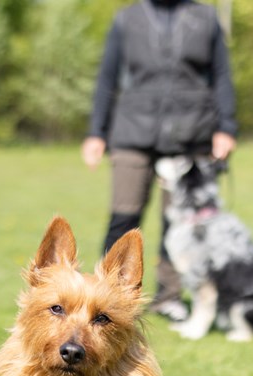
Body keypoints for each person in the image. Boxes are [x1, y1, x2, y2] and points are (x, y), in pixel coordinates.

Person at [81, 0, 238, 320]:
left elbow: (221, 76)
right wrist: (97, 131)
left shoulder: (206, 18)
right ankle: (102, 299)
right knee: (123, 218)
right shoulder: (126, 19)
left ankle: (169, 296)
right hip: (132, 133)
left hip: (191, 132)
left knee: (178, 222)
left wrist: (226, 127)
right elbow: (107, 78)